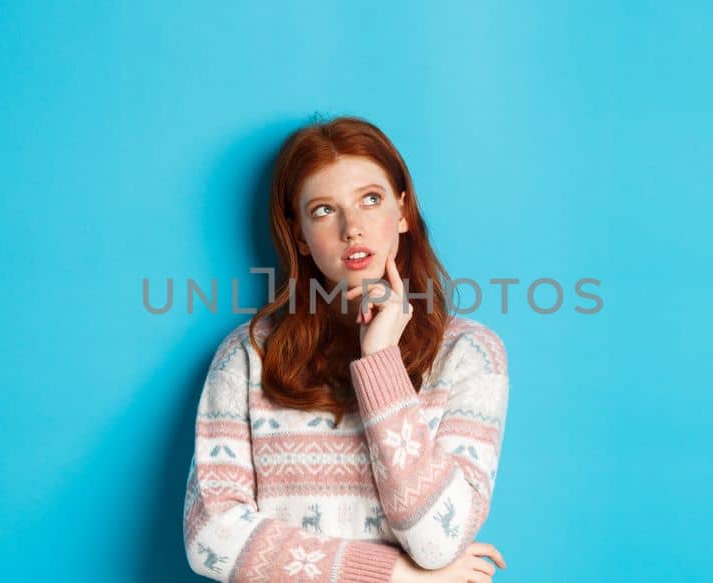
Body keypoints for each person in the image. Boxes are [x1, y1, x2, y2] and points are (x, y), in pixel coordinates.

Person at [183, 116, 510, 582]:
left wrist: (380, 365)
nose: (352, 228)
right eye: (323, 210)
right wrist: (398, 577)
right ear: (298, 235)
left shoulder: (470, 354)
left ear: (402, 212)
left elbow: (438, 540)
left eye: (370, 200)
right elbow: (209, 538)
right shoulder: (249, 355)